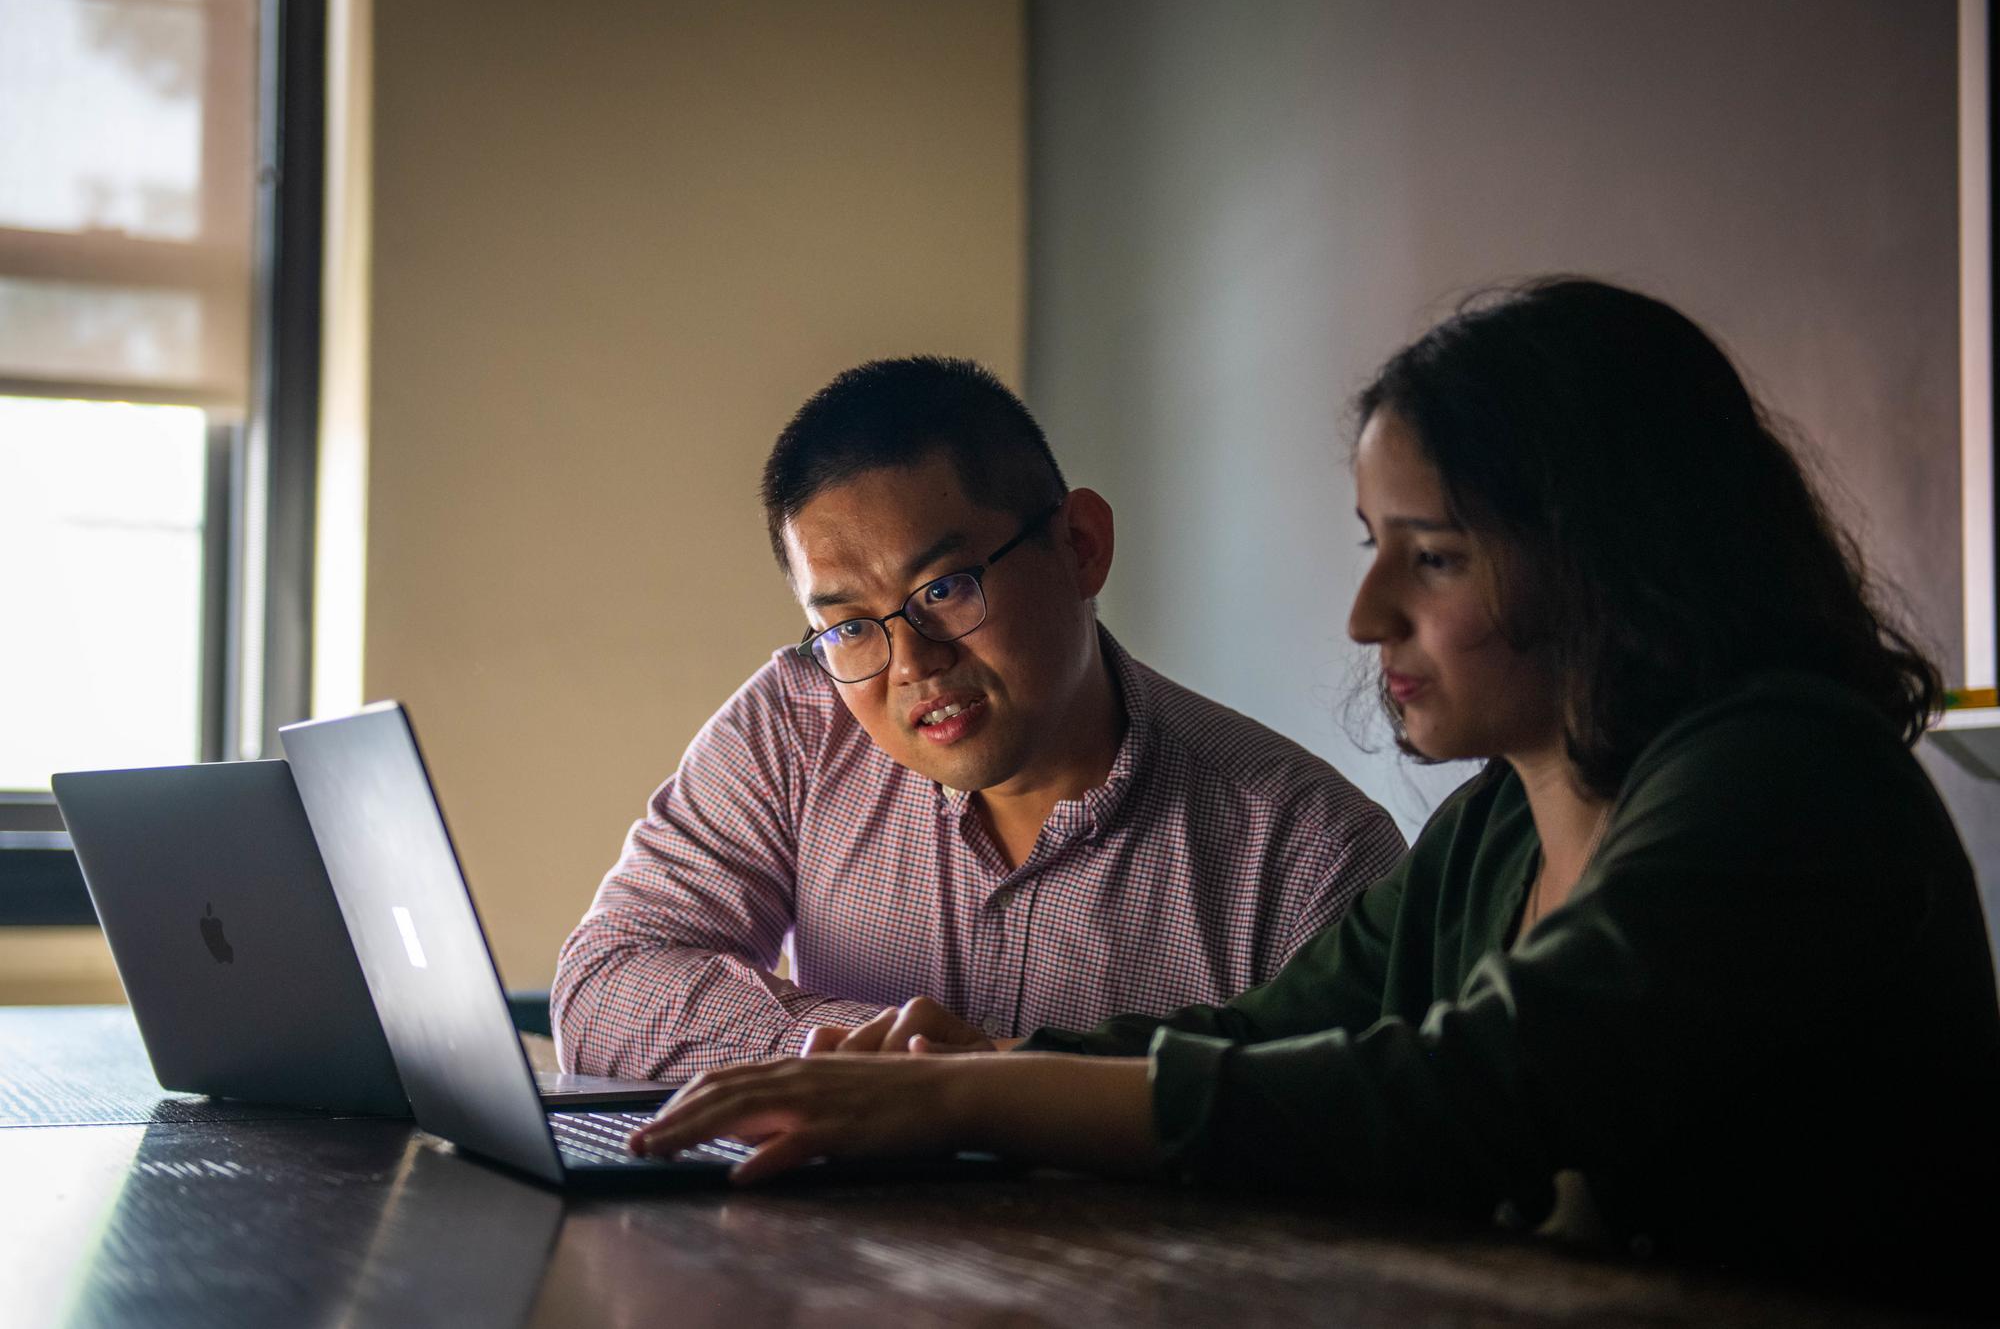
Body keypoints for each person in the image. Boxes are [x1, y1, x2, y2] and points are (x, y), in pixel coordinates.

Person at [629, 280, 2000, 1276]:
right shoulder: (1490, 836)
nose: (1367, 614)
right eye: (1372, 544)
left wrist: (966, 1097)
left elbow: (1463, 1088)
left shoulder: (1786, 778)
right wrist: (976, 1059)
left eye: (1436, 555)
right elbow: (1260, 1037)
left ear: (1612, 555)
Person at [553, 356, 1405, 1079]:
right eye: (849, 627)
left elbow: (1353, 1166)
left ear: (1081, 545)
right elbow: (603, 981)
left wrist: (997, 1086)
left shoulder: (1307, 855)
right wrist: (869, 1058)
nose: (913, 663)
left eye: (945, 589)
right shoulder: (800, 722)